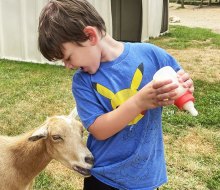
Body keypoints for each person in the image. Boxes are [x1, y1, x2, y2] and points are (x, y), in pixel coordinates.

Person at [38, 0, 194, 189]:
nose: (68, 66)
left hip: (146, 175)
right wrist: (138, 102)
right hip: (105, 178)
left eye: (68, 57)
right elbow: (98, 129)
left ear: (90, 36)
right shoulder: (83, 82)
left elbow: (178, 81)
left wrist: (184, 86)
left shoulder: (151, 54)